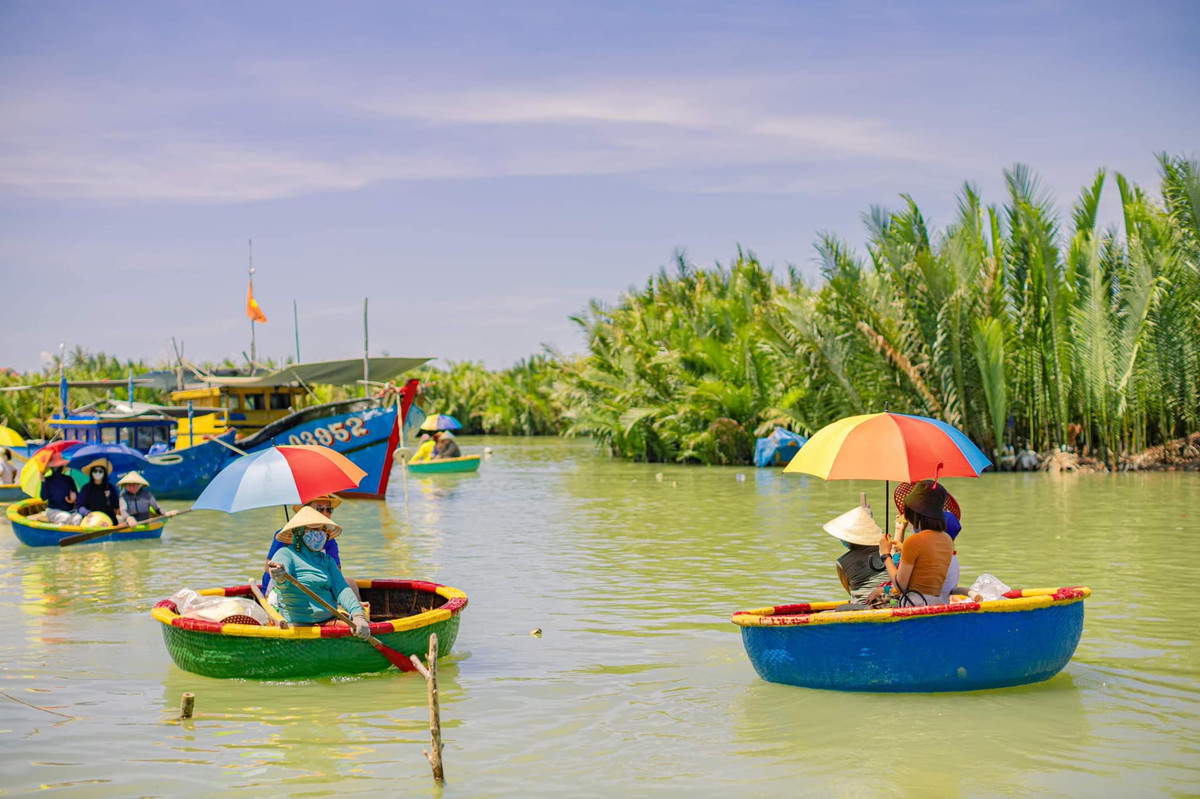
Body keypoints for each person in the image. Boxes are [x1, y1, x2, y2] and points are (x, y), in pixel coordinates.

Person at [264, 506, 370, 638]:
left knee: (360, 627)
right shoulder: (286, 553)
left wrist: (357, 614)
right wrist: (279, 574)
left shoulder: (327, 560)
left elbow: (342, 589)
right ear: (299, 533)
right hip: (298, 625)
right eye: (314, 530)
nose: (319, 534)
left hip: (328, 620)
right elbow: (281, 575)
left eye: (322, 530)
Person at [261, 495, 358, 599]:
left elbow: (336, 573)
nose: (325, 513)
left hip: (316, 585)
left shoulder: (329, 541)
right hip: (283, 587)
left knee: (351, 583)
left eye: (329, 509)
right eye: (319, 509)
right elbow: (269, 567)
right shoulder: (284, 539)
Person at [876, 480, 955, 607]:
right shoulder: (947, 540)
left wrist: (885, 555)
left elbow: (900, 585)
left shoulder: (913, 541)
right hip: (937, 604)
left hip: (915, 604)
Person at [823, 505, 890, 609]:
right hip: (890, 602)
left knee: (840, 608)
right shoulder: (890, 551)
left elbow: (849, 589)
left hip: (863, 606)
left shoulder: (842, 562)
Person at [40, 453, 83, 525]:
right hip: (53, 510)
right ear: (51, 468)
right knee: (65, 517)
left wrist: (73, 499)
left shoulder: (69, 479)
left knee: (78, 518)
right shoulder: (47, 480)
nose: (57, 469)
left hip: (69, 510)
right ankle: (58, 534)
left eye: (59, 466)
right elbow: (44, 497)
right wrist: (43, 481)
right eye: (54, 467)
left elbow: (76, 495)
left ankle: (74, 535)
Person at [75, 458, 120, 524]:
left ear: (104, 473)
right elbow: (80, 506)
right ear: (91, 473)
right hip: (91, 520)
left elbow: (117, 505)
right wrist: (87, 513)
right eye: (95, 471)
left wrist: (110, 496)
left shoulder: (110, 487)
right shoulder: (86, 488)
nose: (98, 473)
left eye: (100, 471)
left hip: (109, 520)